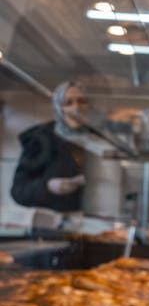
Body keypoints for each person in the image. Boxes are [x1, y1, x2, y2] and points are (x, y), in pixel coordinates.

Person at [11, 81, 89, 213]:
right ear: (59, 108)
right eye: (68, 103)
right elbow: (19, 191)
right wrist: (47, 186)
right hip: (54, 225)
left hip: (94, 221)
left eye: (81, 101)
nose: (76, 108)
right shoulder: (42, 139)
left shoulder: (98, 138)